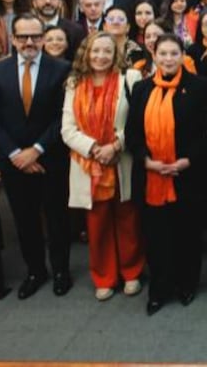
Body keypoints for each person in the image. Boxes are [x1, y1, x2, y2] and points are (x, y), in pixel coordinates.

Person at [126, 34, 207, 315]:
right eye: (162, 53)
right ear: (154, 54)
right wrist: (146, 161)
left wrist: (187, 161)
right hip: (152, 176)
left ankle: (187, 284)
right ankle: (159, 289)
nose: (168, 59)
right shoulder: (141, 88)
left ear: (182, 55)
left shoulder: (199, 88)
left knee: (188, 234)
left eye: (173, 53)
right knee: (156, 237)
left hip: (187, 174)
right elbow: (132, 133)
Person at [61, 32, 145, 301]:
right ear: (86, 53)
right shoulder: (74, 83)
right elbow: (67, 129)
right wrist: (95, 149)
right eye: (95, 51)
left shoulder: (129, 79)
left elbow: (136, 121)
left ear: (115, 54)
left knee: (127, 219)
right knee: (97, 225)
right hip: (89, 165)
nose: (101, 56)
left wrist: (116, 146)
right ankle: (104, 276)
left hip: (121, 159)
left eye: (107, 51)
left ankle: (132, 272)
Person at [0, 14, 72, 299]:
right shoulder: (0, 71)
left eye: (35, 36)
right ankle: (35, 271)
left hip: (50, 158)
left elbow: (62, 117)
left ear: (43, 37)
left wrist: (36, 150)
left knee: (57, 219)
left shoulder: (63, 69)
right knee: (25, 219)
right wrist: (16, 153)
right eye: (23, 37)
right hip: (14, 160)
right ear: (14, 39)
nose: (29, 42)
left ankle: (60, 271)